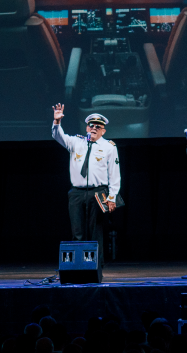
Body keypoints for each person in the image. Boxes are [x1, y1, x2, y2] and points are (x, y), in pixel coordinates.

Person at [52, 103, 121, 266]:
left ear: (103, 131)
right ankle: (77, 265)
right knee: (77, 230)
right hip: (76, 192)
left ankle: (95, 265)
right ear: (87, 128)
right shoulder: (76, 142)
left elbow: (114, 174)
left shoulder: (109, 147)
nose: (94, 128)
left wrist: (112, 197)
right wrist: (57, 122)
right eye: (91, 125)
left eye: (98, 126)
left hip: (98, 192)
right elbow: (57, 136)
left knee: (95, 230)